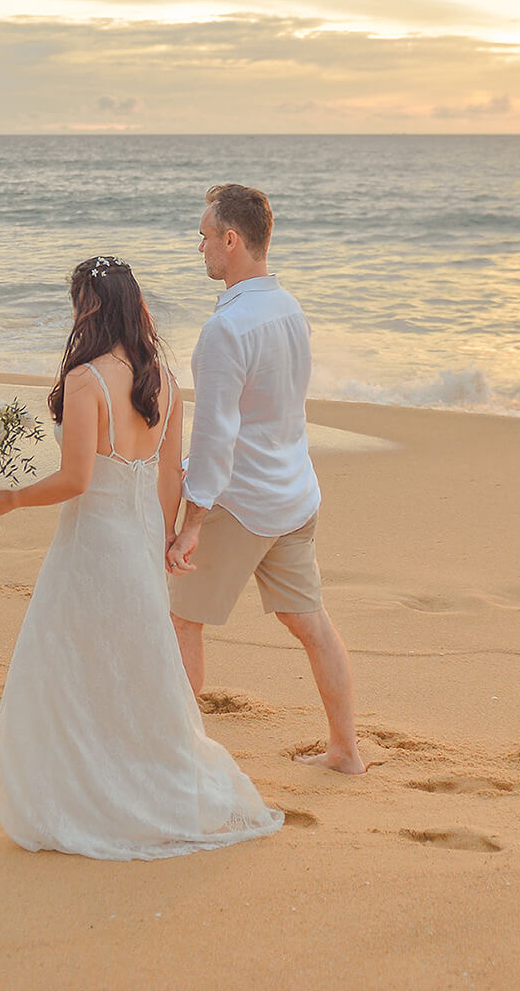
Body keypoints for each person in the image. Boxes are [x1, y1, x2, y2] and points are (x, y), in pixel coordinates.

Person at [0, 255, 284, 859]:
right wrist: (168, 539)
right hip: (141, 536)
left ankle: (88, 793)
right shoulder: (162, 380)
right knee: (135, 666)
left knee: (72, 664)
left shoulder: (89, 382)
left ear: (87, 308)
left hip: (92, 544)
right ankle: (144, 782)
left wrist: (9, 499)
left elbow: (76, 479)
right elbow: (171, 473)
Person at [167, 184, 366, 774]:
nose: (199, 246)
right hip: (296, 494)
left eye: (204, 236)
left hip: (242, 503)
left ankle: (177, 758)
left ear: (231, 240)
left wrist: (192, 521)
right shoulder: (289, 307)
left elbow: (215, 435)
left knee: (182, 619)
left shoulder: (225, 330)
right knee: (311, 624)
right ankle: (346, 753)